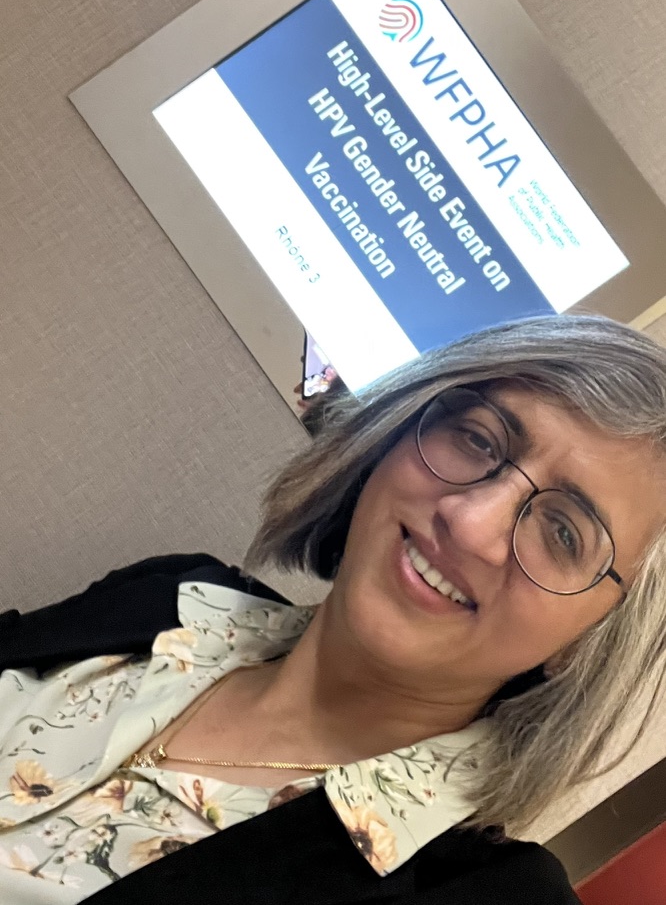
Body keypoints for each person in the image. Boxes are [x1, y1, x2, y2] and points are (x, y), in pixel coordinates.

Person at [1, 314, 666, 904]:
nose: (469, 523)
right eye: (479, 439)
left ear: (590, 641)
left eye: (563, 534)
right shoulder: (171, 595)